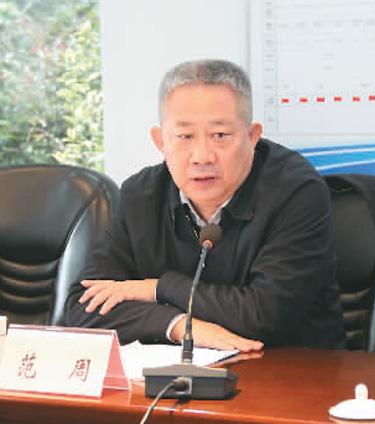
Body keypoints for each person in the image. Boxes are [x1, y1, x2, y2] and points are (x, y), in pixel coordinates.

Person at [64, 59, 346, 352]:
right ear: (160, 141)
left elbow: (264, 315)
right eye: (184, 136)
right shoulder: (141, 195)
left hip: (291, 371)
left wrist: (158, 288)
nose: (201, 156)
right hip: (180, 372)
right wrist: (177, 326)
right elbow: (81, 307)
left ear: (252, 136)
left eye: (219, 135)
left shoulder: (296, 191)